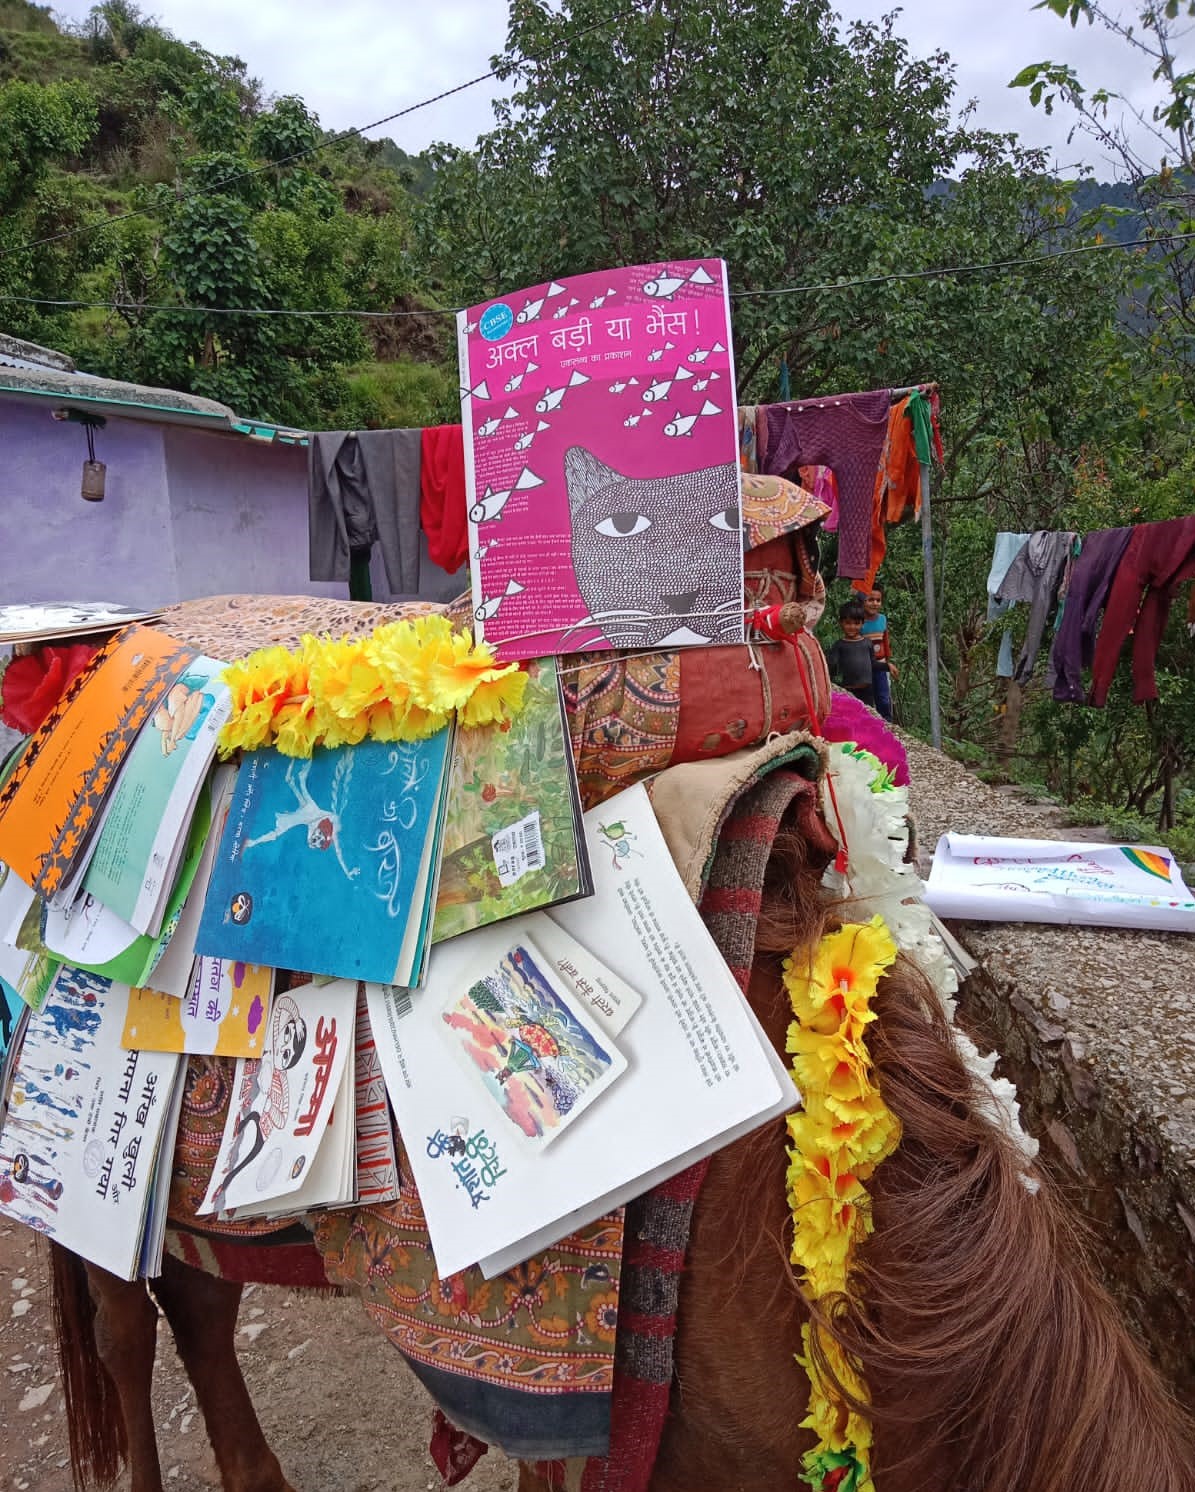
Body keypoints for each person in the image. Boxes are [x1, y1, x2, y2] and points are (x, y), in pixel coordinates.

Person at [825, 602, 876, 708]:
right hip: (848, 690)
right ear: (841, 623)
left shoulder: (867, 643)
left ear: (863, 623)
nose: (852, 627)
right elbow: (831, 666)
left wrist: (888, 666)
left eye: (856, 623)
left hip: (867, 690)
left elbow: (873, 664)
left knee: (868, 717)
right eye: (848, 623)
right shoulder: (839, 645)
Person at [862, 586, 899, 721]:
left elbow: (885, 640)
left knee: (883, 698)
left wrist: (888, 662)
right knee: (867, 698)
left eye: (878, 600)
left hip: (881, 665)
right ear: (863, 601)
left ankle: (888, 724)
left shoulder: (882, 619)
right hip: (865, 666)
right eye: (870, 600)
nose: (875, 603)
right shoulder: (859, 621)